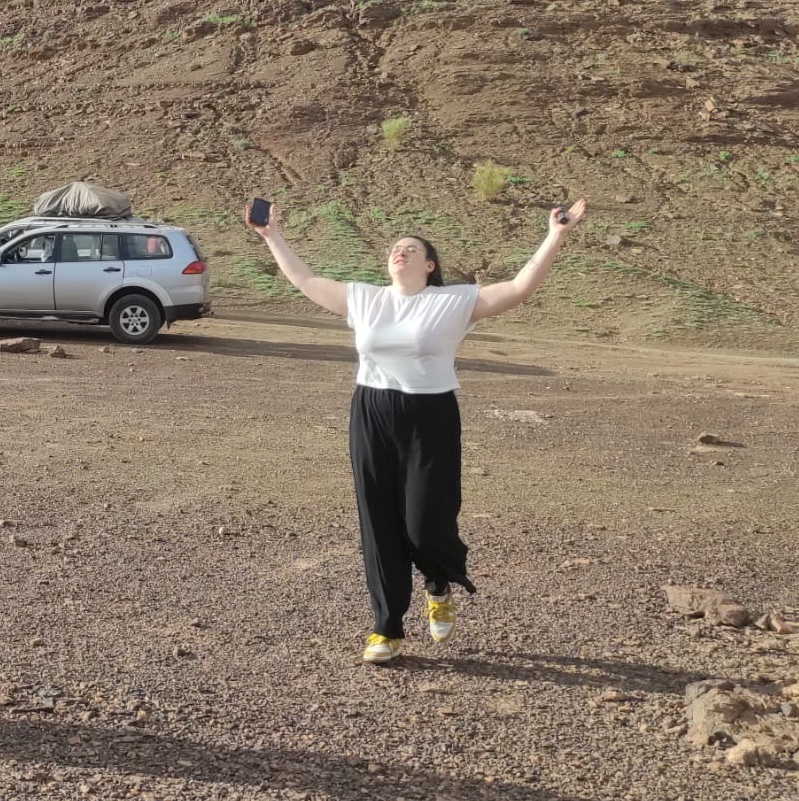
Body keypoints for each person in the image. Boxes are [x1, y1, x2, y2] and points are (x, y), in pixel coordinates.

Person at [247, 198, 588, 663]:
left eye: (411, 248)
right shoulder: (365, 298)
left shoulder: (453, 301)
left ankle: (438, 581)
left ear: (430, 265)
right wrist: (272, 237)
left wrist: (555, 235)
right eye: (395, 247)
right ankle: (386, 628)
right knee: (378, 522)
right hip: (371, 410)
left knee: (426, 521)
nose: (400, 251)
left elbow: (519, 288)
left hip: (430, 415)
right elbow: (306, 280)